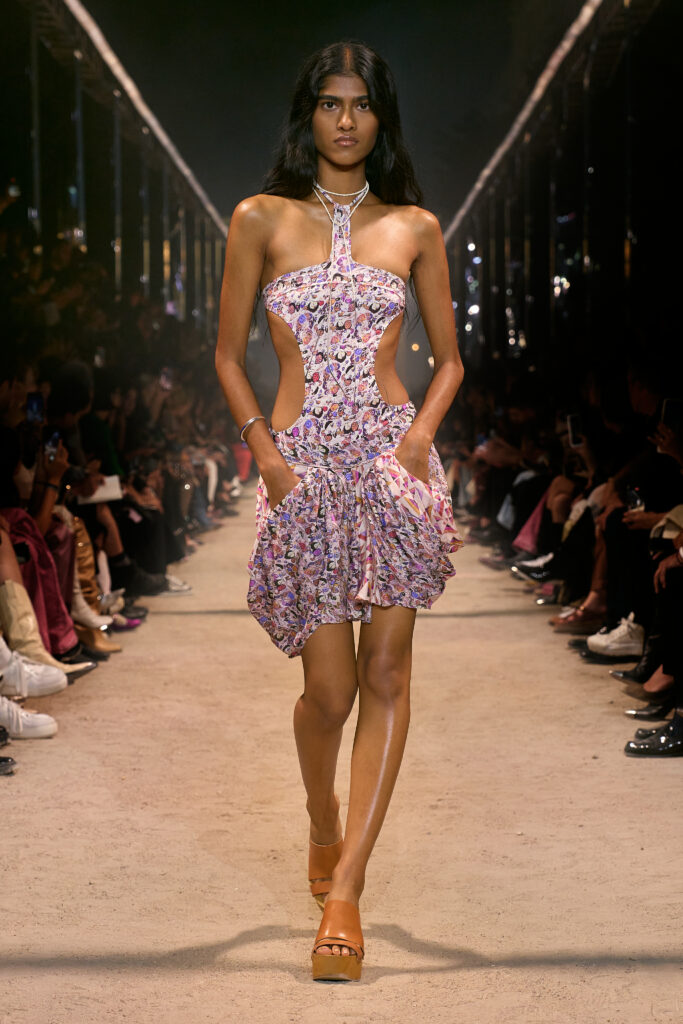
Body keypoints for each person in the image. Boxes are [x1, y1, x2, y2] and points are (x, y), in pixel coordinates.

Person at [215, 40, 463, 981]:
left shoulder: (415, 227)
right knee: (329, 693)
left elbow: (449, 360)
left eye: (360, 104)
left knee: (386, 675)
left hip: (391, 468)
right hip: (303, 473)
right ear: (308, 113)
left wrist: (416, 441)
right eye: (329, 103)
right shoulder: (259, 218)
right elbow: (227, 355)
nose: (345, 119)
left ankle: (347, 891)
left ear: (379, 115)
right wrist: (266, 456)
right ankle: (322, 817)